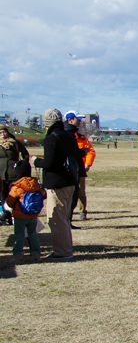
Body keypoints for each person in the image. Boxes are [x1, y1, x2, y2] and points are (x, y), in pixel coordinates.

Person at [31, 108, 79, 260]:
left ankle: (63, 251)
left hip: (57, 183)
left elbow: (49, 162)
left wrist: (35, 161)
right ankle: (63, 248)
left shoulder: (51, 138)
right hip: (70, 181)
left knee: (56, 219)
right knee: (64, 218)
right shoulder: (68, 135)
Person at [5, 160, 45, 260]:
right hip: (33, 215)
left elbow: (10, 201)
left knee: (19, 235)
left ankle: (18, 253)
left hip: (19, 215)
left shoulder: (17, 187)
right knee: (33, 235)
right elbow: (43, 195)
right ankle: (35, 252)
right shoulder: (35, 184)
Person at [67, 112, 95, 222]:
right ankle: (67, 214)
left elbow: (91, 151)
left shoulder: (81, 138)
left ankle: (82, 211)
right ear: (70, 120)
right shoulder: (66, 136)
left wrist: (87, 163)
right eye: (78, 119)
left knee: (81, 192)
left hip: (79, 169)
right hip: (68, 169)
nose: (80, 121)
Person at [0, 125, 29, 226]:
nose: (2, 135)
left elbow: (25, 154)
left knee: (14, 195)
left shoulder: (15, 143)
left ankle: (15, 215)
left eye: (4, 132)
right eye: (0, 133)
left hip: (13, 173)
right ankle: (5, 216)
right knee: (3, 196)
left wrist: (21, 166)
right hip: (1, 174)